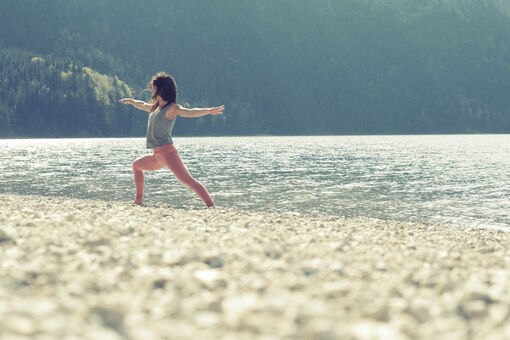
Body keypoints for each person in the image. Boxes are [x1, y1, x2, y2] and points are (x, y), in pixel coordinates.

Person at [119, 72, 224, 207]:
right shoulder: (155, 107)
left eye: (154, 87)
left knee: (187, 180)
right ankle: (138, 201)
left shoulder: (171, 108)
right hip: (156, 155)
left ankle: (211, 205)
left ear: (161, 89)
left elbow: (190, 112)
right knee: (136, 165)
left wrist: (208, 110)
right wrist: (131, 101)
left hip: (168, 153)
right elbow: (142, 104)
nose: (152, 89)